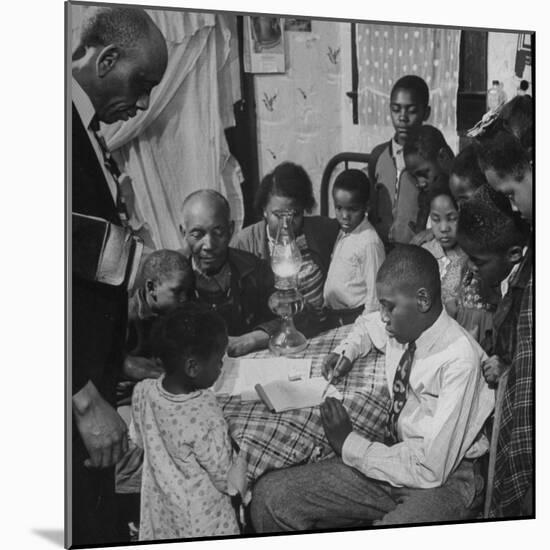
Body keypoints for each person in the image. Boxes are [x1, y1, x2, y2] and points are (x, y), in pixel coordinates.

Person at [251, 245, 494, 531]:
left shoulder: (458, 358)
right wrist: (347, 351)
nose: (383, 317)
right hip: (398, 454)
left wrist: (348, 443)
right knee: (270, 498)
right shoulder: (405, 324)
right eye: (382, 306)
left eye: (389, 306)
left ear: (423, 299)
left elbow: (431, 469)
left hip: (447, 476)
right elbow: (366, 327)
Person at [71, 6, 168, 545]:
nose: (146, 102)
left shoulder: (84, 130)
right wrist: (83, 398)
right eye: (143, 82)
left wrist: (117, 359)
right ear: (108, 59)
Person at [458, 168, 533, 518]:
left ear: (514, 254)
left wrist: (508, 366)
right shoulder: (505, 280)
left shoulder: (529, 295)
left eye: (478, 261)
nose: (471, 270)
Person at [130, 304, 241, 540]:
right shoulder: (205, 409)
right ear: (192, 366)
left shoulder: (143, 390)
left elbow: (138, 439)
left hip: (162, 511)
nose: (222, 367)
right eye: (219, 361)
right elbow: (225, 479)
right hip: (204, 520)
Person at [232, 162, 339, 335]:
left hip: (319, 330)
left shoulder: (321, 231)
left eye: (294, 214)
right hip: (270, 333)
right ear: (264, 211)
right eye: (278, 215)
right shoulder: (244, 242)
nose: (286, 223)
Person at [179, 189, 275, 357]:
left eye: (218, 232)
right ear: (183, 233)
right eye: (197, 234)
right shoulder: (168, 276)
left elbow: (299, 313)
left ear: (231, 229)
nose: (208, 245)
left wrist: (251, 339)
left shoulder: (254, 269)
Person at [368, 75, 431, 248]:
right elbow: (372, 205)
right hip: (380, 247)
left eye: (411, 110)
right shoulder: (378, 155)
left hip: (416, 250)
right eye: (396, 109)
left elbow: (449, 206)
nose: (402, 117)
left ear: (426, 113)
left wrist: (431, 232)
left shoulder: (431, 158)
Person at [323, 169, 385, 325]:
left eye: (352, 209)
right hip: (333, 316)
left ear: (366, 207)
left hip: (353, 320)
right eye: (339, 208)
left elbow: (375, 297)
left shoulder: (369, 242)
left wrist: (362, 330)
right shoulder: (344, 232)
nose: (344, 216)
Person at [421, 186, 468, 318]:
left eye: (452, 218)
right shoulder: (424, 254)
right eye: (436, 219)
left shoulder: (471, 256)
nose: (443, 228)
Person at [403, 124, 455, 238]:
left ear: (443, 156)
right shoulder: (426, 198)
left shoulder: (464, 193)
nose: (420, 183)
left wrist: (431, 232)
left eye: (423, 174)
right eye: (414, 177)